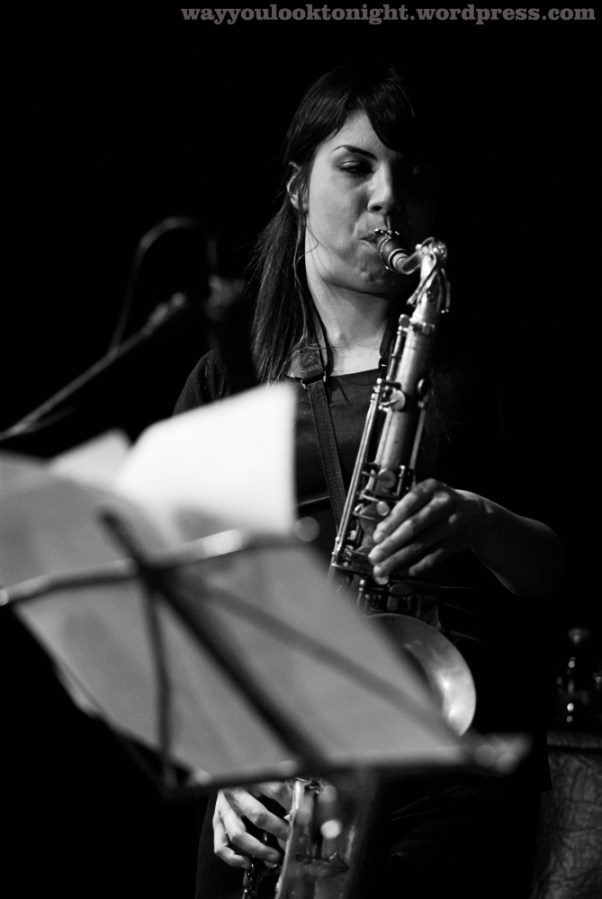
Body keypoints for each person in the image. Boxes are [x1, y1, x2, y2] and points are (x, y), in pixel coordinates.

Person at [175, 61, 564, 899]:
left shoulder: (490, 373)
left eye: (413, 175)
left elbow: (562, 572)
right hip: (275, 777)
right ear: (298, 187)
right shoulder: (229, 378)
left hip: (454, 778)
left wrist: (479, 518)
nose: (389, 197)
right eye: (356, 166)